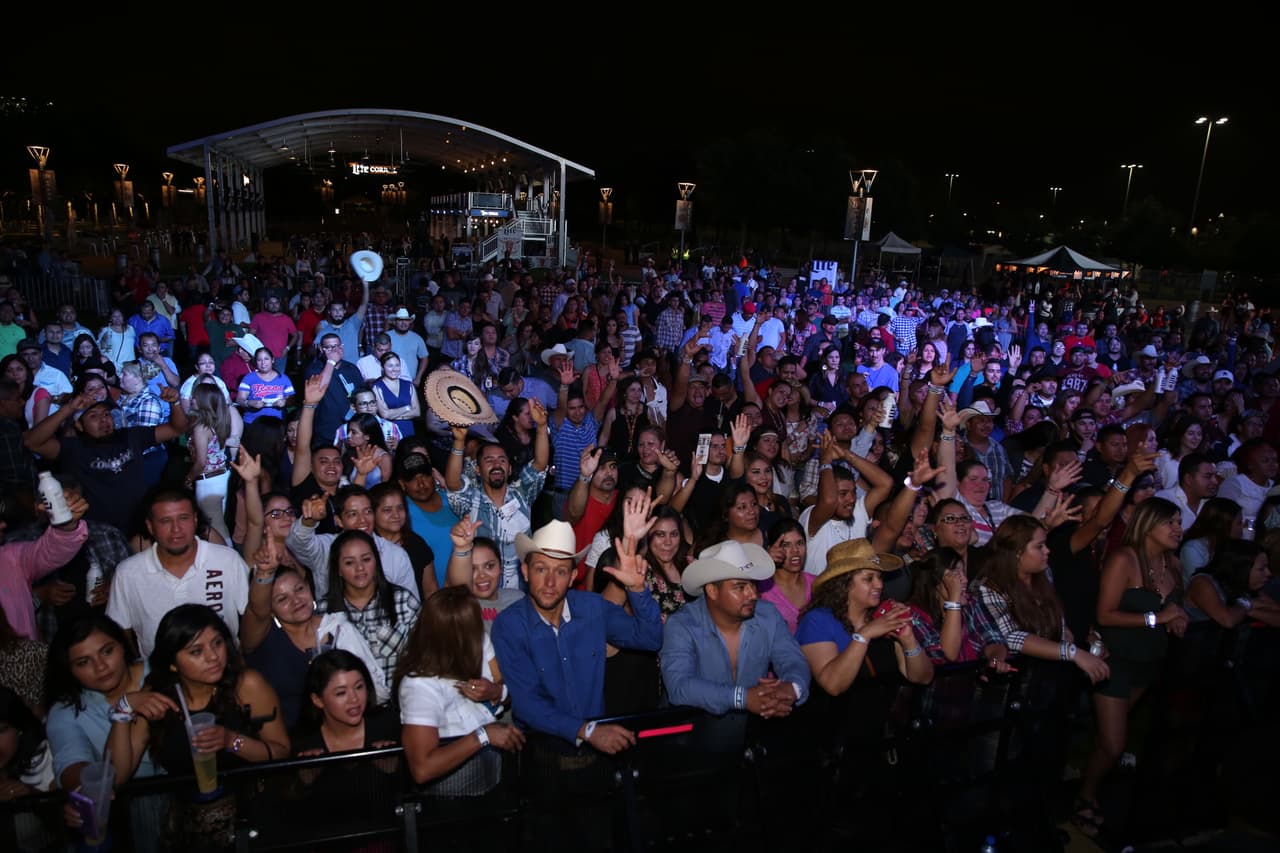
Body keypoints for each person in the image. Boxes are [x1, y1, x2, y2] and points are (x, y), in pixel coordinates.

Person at [106, 604, 290, 849]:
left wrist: (231, 741)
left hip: (251, 823)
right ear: (172, 663)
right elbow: (116, 776)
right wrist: (124, 708)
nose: (213, 657)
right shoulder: (159, 698)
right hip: (187, 831)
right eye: (196, 651)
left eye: (217, 643)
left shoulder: (247, 686)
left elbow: (281, 753)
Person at [491, 519, 662, 752]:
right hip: (541, 754)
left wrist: (636, 588)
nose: (550, 582)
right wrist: (586, 731)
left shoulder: (592, 608)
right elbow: (526, 703)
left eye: (560, 571)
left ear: (572, 577)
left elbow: (651, 639)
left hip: (596, 752)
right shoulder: (509, 625)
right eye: (541, 569)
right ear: (525, 571)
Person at [1077, 498, 1189, 837]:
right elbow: (1105, 614)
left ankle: (1090, 781)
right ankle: (1084, 797)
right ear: (1147, 524)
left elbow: (1173, 609)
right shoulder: (1124, 559)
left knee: (1110, 740)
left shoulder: (1173, 565)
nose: (1177, 529)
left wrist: (1177, 618)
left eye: (1179, 522)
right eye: (1169, 522)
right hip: (1116, 662)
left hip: (1150, 662)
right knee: (1114, 743)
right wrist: (1158, 618)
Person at [240, 531, 389, 730]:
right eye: (282, 599)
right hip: (289, 744)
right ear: (271, 609)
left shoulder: (337, 627)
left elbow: (374, 687)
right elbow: (257, 611)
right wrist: (265, 573)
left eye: (299, 589)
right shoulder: (263, 637)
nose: (296, 601)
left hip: (345, 737)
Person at [661, 539, 811, 717]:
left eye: (753, 585)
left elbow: (792, 658)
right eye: (740, 587)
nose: (753, 594)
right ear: (712, 591)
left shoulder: (767, 614)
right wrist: (743, 698)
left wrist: (792, 687)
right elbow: (680, 686)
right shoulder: (682, 625)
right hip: (695, 735)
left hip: (752, 730)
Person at [397, 585, 522, 793]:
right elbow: (422, 769)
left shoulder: (478, 640)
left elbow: (506, 694)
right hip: (450, 793)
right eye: (470, 627)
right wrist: (483, 736)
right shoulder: (419, 686)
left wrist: (495, 693)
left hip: (489, 776)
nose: (478, 632)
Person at [105, 488, 251, 658]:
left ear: (195, 520)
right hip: (162, 680)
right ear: (150, 526)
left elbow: (253, 614)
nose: (176, 529)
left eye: (183, 518)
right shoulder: (127, 574)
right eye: (165, 521)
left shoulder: (228, 560)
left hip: (223, 671)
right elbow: (120, 629)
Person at [974, 516, 1109, 682]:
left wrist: (1067, 636)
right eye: (1039, 546)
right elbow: (1013, 637)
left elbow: (1058, 621)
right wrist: (1071, 652)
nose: (1047, 550)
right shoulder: (989, 587)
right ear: (1017, 553)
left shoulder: (1044, 574)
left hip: (1051, 677)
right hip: (1014, 679)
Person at [798, 539, 934, 696]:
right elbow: (832, 685)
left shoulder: (883, 616)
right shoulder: (817, 620)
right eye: (869, 579)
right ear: (844, 584)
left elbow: (923, 677)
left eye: (880, 577)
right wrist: (864, 635)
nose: (879, 585)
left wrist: (908, 639)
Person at [444, 404, 550, 590]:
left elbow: (540, 464)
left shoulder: (522, 493)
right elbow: (453, 484)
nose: (496, 464)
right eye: (489, 460)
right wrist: (459, 441)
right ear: (477, 469)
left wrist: (541, 427)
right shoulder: (471, 501)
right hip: (483, 591)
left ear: (509, 469)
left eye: (502, 460)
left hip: (521, 591)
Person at [316, 529, 419, 689]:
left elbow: (425, 655)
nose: (360, 568)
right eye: (349, 562)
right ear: (338, 569)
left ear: (376, 561)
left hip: (399, 703)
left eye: (366, 559)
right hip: (346, 706)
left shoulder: (402, 600)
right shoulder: (323, 610)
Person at [903, 547, 1011, 668]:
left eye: (963, 572)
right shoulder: (913, 616)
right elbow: (948, 655)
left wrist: (995, 661)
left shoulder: (971, 603)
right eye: (955, 574)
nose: (965, 580)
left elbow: (994, 639)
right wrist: (954, 601)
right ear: (935, 582)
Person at [184, 383, 241, 545]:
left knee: (216, 528)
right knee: (218, 524)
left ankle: (231, 563)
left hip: (209, 482)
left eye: (195, 396)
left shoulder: (201, 427)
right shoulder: (216, 422)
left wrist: (188, 478)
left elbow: (201, 462)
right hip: (221, 477)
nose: (191, 399)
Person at [1185, 540, 1280, 627]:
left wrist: (1248, 610)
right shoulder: (1202, 583)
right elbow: (1227, 620)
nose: (1268, 573)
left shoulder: (1243, 586)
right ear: (1241, 569)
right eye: (1261, 569)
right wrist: (1246, 604)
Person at [369, 482, 437, 600]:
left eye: (400, 508)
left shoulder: (416, 544)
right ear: (372, 513)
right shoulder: (366, 545)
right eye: (387, 510)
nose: (396, 515)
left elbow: (430, 590)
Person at [759, 519, 812, 634]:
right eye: (786, 545)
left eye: (800, 543)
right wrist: (764, 561)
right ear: (772, 549)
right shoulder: (760, 589)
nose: (795, 551)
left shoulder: (818, 584)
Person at [1178, 498, 1244, 585]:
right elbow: (1201, 585)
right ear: (1223, 524)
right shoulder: (1192, 549)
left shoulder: (1231, 547)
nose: (1242, 527)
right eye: (1239, 523)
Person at [236, 347, 294, 424]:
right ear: (256, 362)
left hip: (277, 422)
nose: (263, 363)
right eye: (259, 360)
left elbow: (292, 400)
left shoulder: (283, 378)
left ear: (272, 360)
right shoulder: (249, 378)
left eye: (266, 359)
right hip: (252, 421)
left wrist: (285, 402)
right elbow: (239, 400)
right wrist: (249, 403)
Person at [371, 352, 420, 438]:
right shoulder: (377, 387)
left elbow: (417, 412)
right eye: (390, 366)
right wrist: (407, 408)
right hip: (389, 431)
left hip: (408, 429)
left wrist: (393, 415)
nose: (394, 369)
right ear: (382, 367)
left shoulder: (409, 385)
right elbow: (385, 415)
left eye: (397, 365)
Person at [341, 413, 393, 489]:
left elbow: (385, 488)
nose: (348, 436)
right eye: (348, 431)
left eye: (354, 432)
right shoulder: (349, 453)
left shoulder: (383, 457)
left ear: (367, 436)